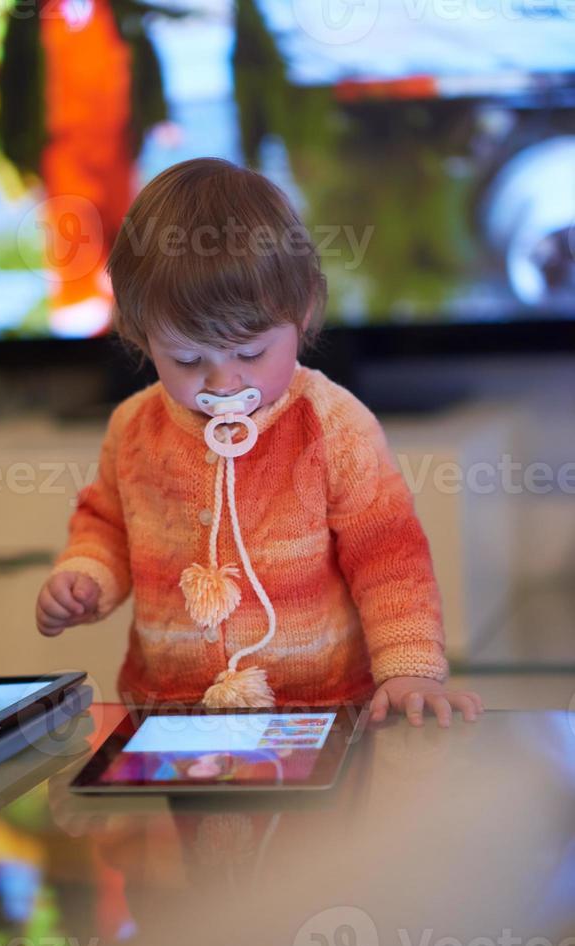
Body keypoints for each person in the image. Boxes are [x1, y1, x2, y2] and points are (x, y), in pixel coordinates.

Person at [35, 156, 483, 728]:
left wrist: (409, 668)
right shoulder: (132, 428)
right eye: (188, 359)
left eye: (250, 354)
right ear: (143, 338)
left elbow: (388, 556)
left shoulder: (333, 424)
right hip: (171, 717)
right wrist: (85, 576)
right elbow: (106, 525)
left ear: (300, 315)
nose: (224, 381)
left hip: (323, 712)